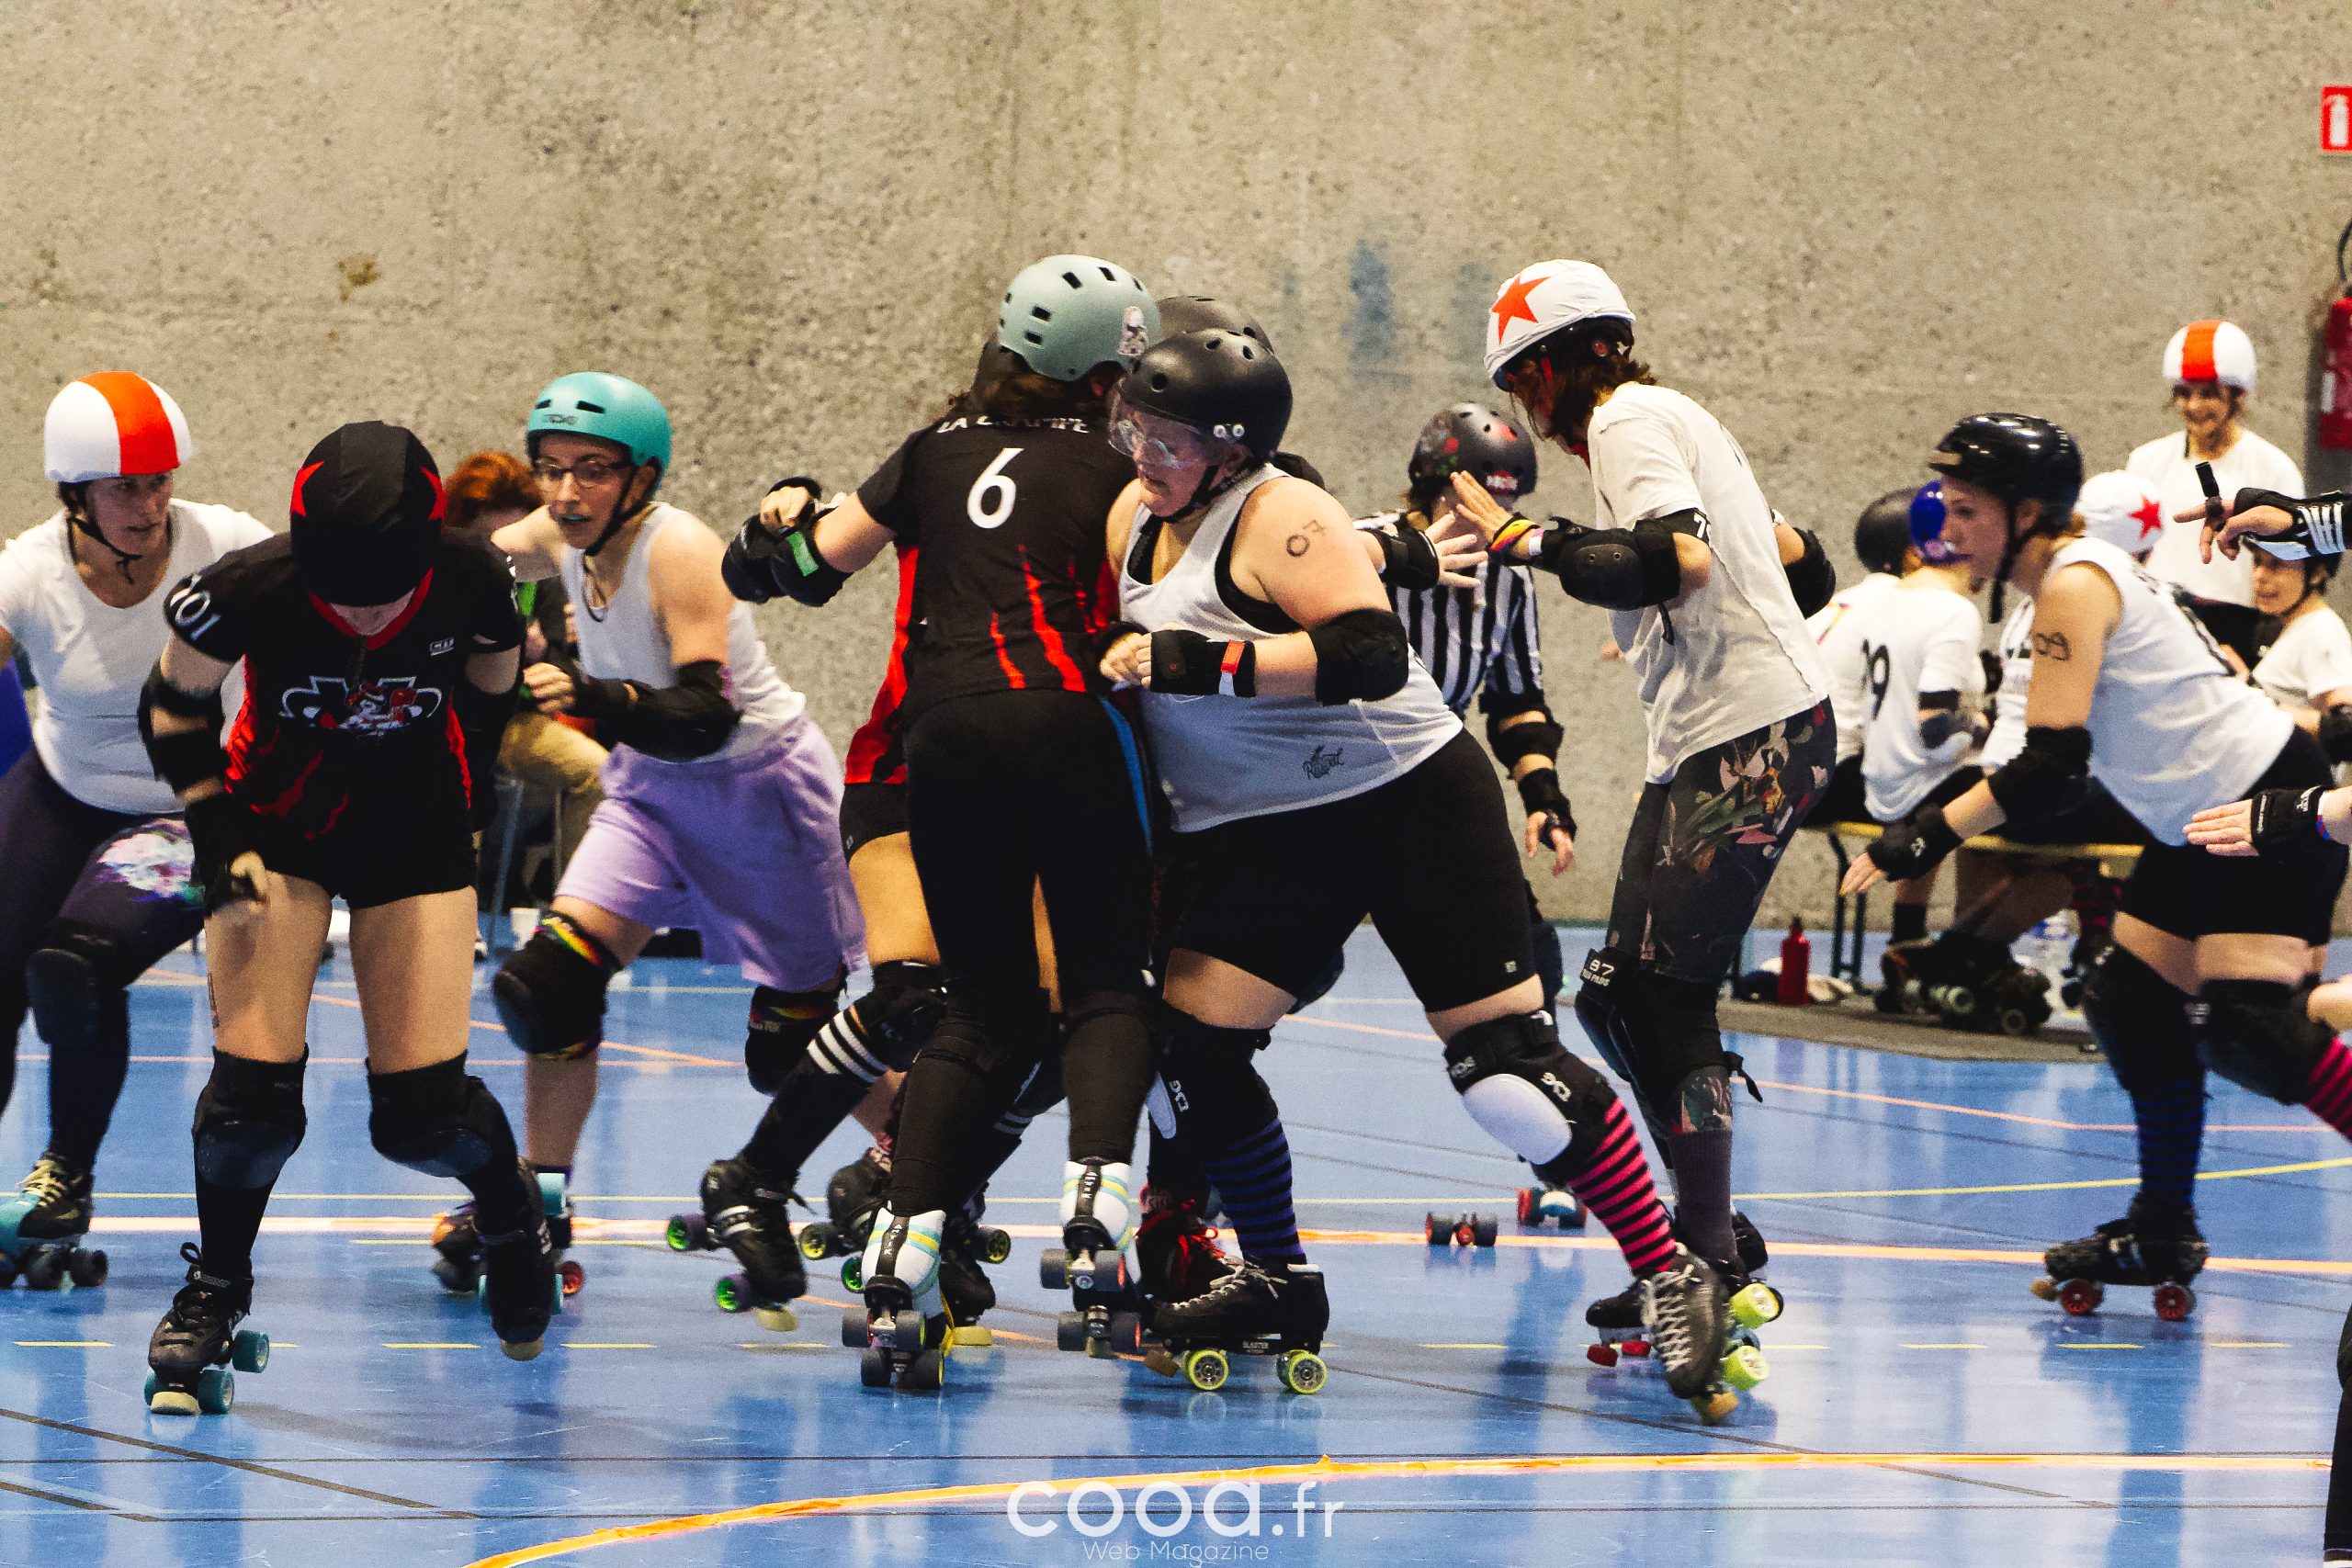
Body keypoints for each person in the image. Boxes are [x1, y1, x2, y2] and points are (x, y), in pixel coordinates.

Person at [1100, 326, 1748, 1413]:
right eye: (1136, 432)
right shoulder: (1131, 514)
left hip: (1403, 802)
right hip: (1267, 830)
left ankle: (1670, 1268)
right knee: (1191, 1052)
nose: (1144, 456)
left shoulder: (1282, 514)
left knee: (1505, 1073)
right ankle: (1276, 1277)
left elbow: (1365, 655)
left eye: (1169, 441)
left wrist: (1195, 661)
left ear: (1232, 451)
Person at [728, 255, 1162, 1389]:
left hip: (940, 745)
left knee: (986, 1010)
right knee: (1098, 992)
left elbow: (788, 572)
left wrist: (778, 513)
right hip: (1050, 729)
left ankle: (911, 1224)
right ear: (1108, 379)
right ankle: (1093, 1201)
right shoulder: (1118, 465)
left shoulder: (933, 450)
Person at [1843, 416, 2348, 1322]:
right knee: (2129, 999)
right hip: (2196, 816)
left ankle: (2164, 1221)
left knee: (2248, 1029)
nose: (1946, 530)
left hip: (2264, 797)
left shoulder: (2075, 584)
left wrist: (1922, 836)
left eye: (1966, 510)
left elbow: (2050, 769)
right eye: (1945, 508)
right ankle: (2162, 1228)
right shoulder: (2067, 583)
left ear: (2027, 512)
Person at [140, 421, 555, 1412]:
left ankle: (510, 1214)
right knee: (248, 1111)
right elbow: (172, 707)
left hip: (413, 832)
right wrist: (212, 824)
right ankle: (217, 1286)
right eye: (342, 591)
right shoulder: (246, 586)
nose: (363, 611)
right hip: (275, 829)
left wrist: (467, 799)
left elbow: (493, 682)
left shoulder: (474, 576)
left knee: (422, 1120)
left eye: (385, 592)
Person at [1457, 259, 1834, 1332]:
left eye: (1520, 383)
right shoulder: (1673, 421)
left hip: (1752, 736)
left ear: (1553, 367)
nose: (1524, 409)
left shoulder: (1626, 421)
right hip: (1723, 736)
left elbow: (1675, 561)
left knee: (1661, 999)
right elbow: (1805, 570)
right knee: (1617, 997)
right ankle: (1705, 1235)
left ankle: (1703, 1256)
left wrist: (1525, 541)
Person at [479, 374, 865, 1323]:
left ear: (642, 477)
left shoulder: (679, 550)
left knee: (797, 1044)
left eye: (592, 471)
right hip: (651, 792)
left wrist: (592, 696)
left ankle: (927, 1181)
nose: (567, 492)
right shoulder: (560, 534)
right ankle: (543, 1200)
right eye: (551, 469)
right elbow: (474, 559)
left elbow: (703, 713)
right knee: (548, 985)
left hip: (759, 795)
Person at [0, 375, 271, 1284]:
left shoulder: (224, 544)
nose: (149, 506)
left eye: (159, 482)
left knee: (73, 967)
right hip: (61, 792)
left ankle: (64, 1174)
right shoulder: (29, 571)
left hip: (185, 805)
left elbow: (331, 594)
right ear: (73, 494)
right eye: (124, 488)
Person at [1359, 405, 1570, 1009]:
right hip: (1336, 781)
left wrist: (1545, 799)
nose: (1488, 520)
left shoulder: (1509, 577)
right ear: (1432, 488)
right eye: (1472, 500)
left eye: (1501, 504)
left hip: (1433, 784)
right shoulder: (1367, 545)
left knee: (1532, 959)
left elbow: (1516, 704)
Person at [445, 451, 605, 876]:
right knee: (457, 784)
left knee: (599, 773)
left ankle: (574, 903)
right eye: (487, 542)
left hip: (514, 722)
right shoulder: (439, 576)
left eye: (512, 543)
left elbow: (566, 672)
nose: (502, 558)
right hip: (445, 722)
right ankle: (455, 902)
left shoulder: (541, 576)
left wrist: (539, 653)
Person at [2132, 320, 2304, 665]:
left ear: (2237, 395)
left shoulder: (2274, 469)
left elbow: (2293, 566)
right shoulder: (2145, 461)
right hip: (2157, 621)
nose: (2194, 406)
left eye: (2208, 393)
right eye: (2184, 393)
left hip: (2238, 628)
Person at [1801, 488, 1915, 831]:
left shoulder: (1838, 603)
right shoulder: (1909, 606)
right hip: (1830, 784)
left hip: (1787, 782)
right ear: (1915, 556)